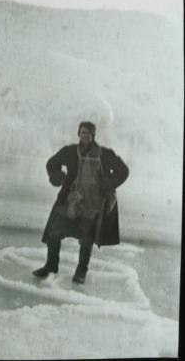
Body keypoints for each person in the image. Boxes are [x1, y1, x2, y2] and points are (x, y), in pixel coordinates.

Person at [33, 121, 129, 284]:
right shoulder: (70, 151)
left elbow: (123, 170)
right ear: (78, 134)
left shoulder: (104, 154)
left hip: (93, 203)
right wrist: (57, 176)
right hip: (70, 200)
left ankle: (81, 271)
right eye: (82, 132)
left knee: (87, 238)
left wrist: (109, 183)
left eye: (88, 133)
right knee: (54, 232)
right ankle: (51, 266)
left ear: (93, 135)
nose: (85, 135)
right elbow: (51, 163)